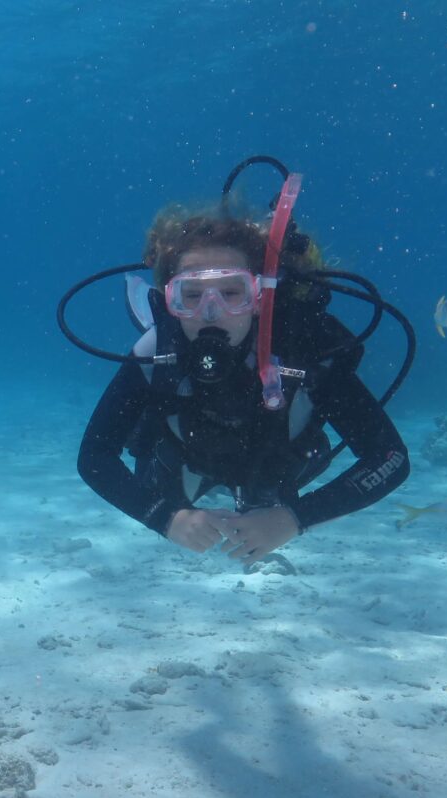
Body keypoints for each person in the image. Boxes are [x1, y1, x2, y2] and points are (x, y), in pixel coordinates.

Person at [76, 200, 410, 564]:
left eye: (232, 292)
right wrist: (167, 518)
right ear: (171, 302)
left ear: (259, 298)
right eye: (191, 295)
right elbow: (95, 457)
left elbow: (390, 457)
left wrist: (293, 519)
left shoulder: (303, 350)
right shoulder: (156, 351)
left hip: (276, 459)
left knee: (276, 486)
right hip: (186, 457)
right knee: (159, 478)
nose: (211, 311)